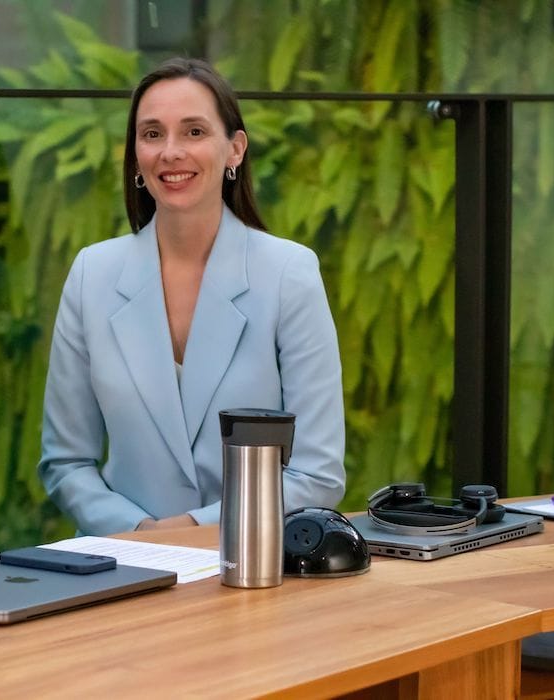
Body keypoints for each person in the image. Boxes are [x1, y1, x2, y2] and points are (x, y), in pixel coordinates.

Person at [38, 58, 346, 536]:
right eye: (152, 133)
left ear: (235, 149)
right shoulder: (91, 275)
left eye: (195, 132)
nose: (171, 151)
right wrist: (140, 534)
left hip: (252, 567)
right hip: (122, 566)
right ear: (135, 153)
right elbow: (66, 462)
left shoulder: (290, 274)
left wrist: (189, 530)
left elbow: (317, 474)